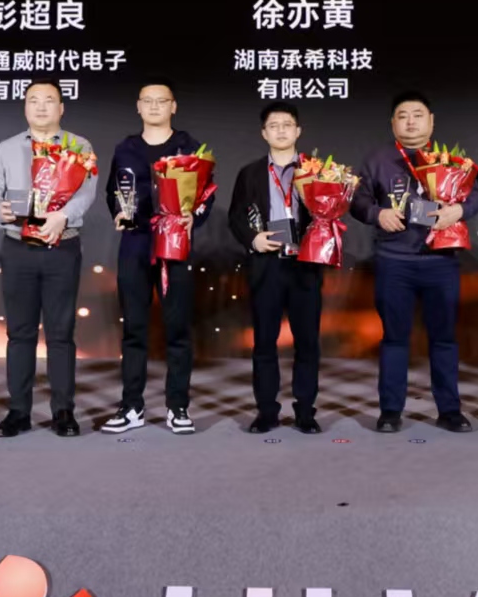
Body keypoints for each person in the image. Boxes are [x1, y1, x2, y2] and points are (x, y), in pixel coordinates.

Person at [351, 91, 478, 433]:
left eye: (418, 114)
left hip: (441, 261)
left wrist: (459, 210)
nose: (410, 121)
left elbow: (476, 196)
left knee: (444, 338)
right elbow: (357, 200)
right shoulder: (378, 159)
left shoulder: (450, 159)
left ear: (431, 121)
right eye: (403, 115)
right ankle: (390, 411)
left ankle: (450, 411)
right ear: (393, 123)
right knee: (394, 338)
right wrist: (377, 214)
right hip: (394, 262)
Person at [0, 78, 98, 439]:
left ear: (61, 108)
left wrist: (64, 216)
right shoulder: (7, 148)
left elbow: (87, 191)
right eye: (34, 100)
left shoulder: (79, 146)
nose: (41, 106)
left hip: (62, 246)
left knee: (61, 333)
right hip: (17, 247)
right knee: (20, 332)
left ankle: (63, 411)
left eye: (49, 100)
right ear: (25, 107)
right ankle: (18, 411)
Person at [102, 79, 208, 436]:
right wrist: (118, 211)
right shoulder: (126, 148)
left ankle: (178, 407)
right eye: (147, 100)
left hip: (174, 242)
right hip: (135, 242)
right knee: (133, 328)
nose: (154, 106)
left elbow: (205, 194)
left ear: (173, 106)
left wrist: (195, 217)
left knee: (178, 328)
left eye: (161, 101)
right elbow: (113, 191)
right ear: (138, 106)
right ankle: (131, 406)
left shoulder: (188, 147)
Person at [227, 101, 322, 435]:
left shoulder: (316, 171)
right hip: (266, 264)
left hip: (305, 264)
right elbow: (236, 216)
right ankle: (267, 412)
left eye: (287, 124)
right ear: (264, 133)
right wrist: (253, 239)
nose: (281, 130)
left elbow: (331, 212)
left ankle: (305, 412)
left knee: (307, 342)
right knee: (265, 342)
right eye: (274, 125)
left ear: (298, 131)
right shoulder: (250, 173)